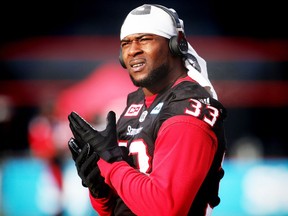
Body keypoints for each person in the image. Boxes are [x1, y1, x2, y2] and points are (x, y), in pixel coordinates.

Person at [67, 4, 227, 216]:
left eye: (144, 39)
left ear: (175, 45)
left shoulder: (187, 108)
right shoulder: (136, 104)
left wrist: (112, 165)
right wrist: (101, 192)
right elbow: (118, 210)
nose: (133, 50)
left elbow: (166, 208)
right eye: (126, 43)